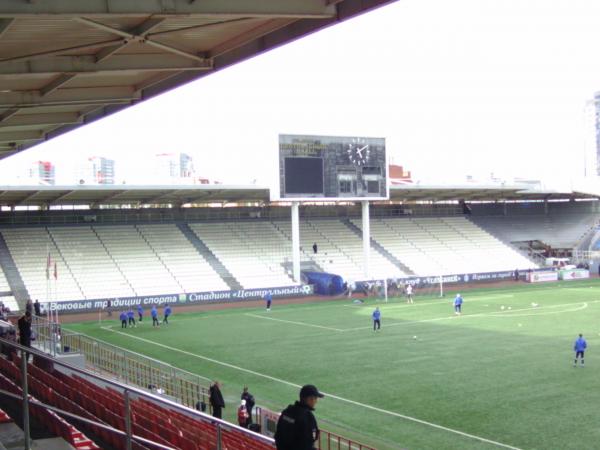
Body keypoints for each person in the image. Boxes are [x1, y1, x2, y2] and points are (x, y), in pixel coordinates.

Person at [275, 384, 323, 450]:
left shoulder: (287, 411)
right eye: (315, 398)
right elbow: (312, 437)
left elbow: (278, 434)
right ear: (309, 399)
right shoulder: (307, 416)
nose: (316, 401)